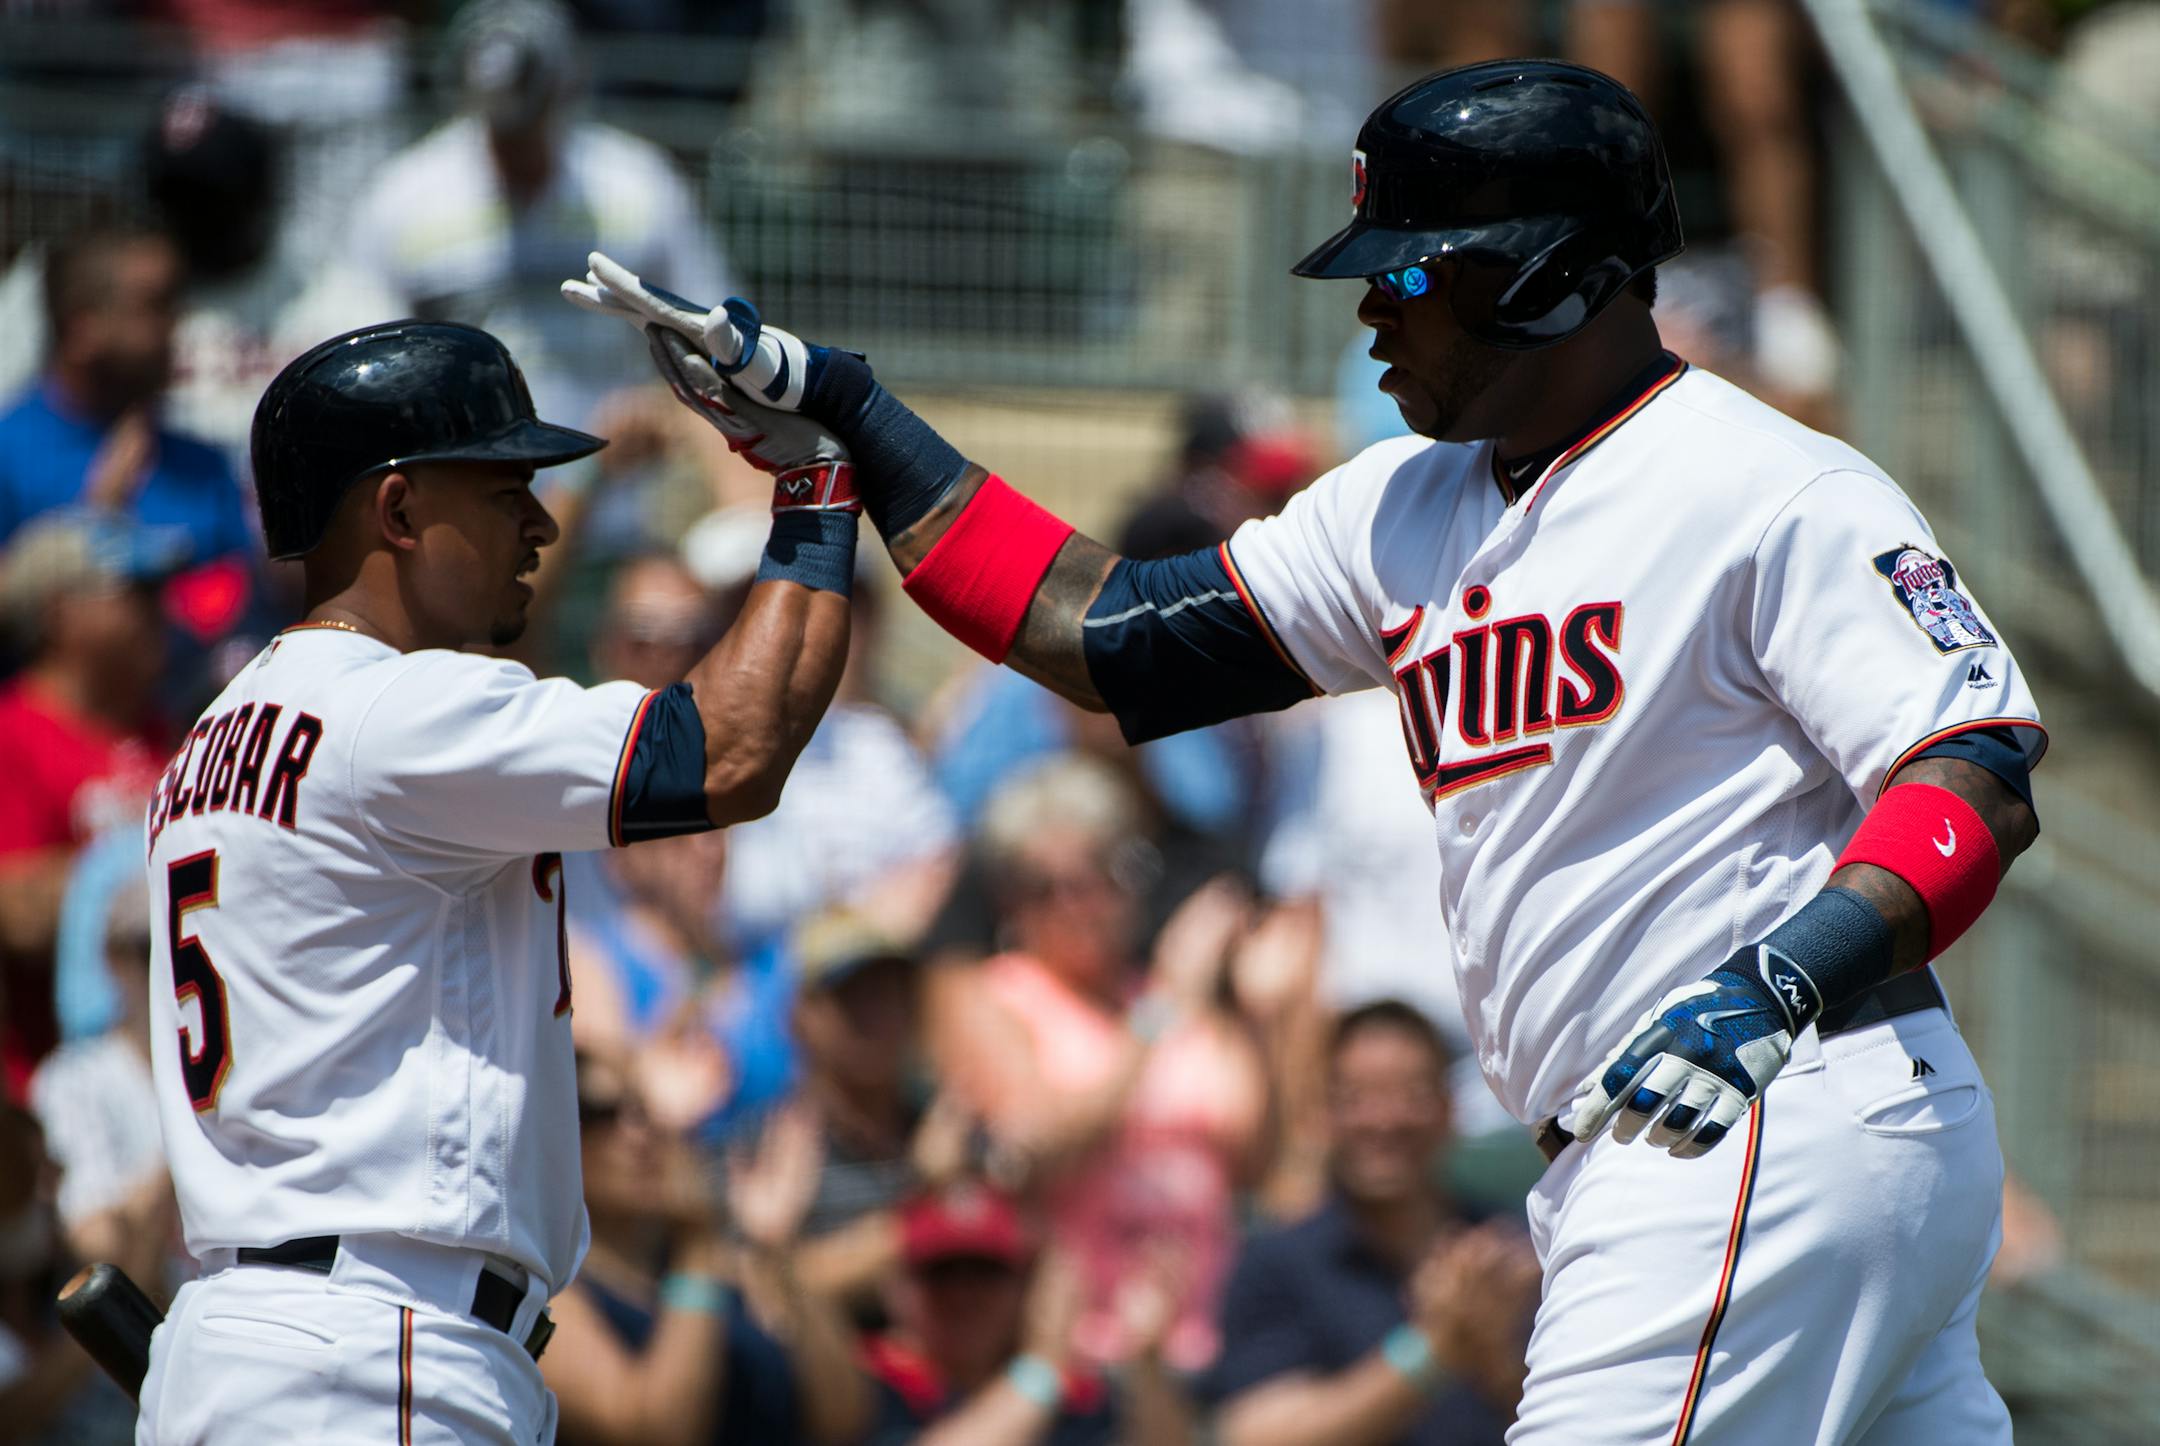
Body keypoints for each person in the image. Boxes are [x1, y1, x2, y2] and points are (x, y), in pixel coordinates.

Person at [573, 57, 2046, 1442]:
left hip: (1757, 1112)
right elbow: (1108, 634)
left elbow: (1970, 764)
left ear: (1542, 277)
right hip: (1737, 1138)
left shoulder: (1764, 485)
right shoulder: (1403, 506)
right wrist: (861, 418)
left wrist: (1788, 977)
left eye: (1407, 273)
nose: (1372, 313)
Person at [133, 317, 861, 1444]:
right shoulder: (396, 710)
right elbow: (732, 749)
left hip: (246, 1344)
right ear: (399, 511)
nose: (538, 521)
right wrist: (817, 485)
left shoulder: (211, 739)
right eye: (502, 487)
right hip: (380, 1343)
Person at [934, 756, 1272, 1370]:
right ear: (1011, 903)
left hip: (1213, 1339)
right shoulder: (995, 995)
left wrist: (1266, 1011)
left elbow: (1265, 1164)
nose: (1078, 902)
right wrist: (1158, 1017)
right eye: (1045, 887)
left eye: (1098, 875)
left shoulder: (1177, 997)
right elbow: (1041, 1143)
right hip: (1083, 1353)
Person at [344, 0, 731, 440]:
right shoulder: (403, 198)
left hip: (617, 478)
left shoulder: (637, 186)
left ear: (563, 89)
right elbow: (366, 354)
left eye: (529, 117)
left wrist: (661, 404)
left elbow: (710, 324)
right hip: (467, 475)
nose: (515, 143)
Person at [1204, 1001, 1538, 1445]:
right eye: (1357, 1098)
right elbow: (1257, 1434)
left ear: (1448, 1110)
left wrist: (1493, 1354)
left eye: (1410, 1095)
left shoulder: (1511, 1249)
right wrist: (1433, 1348)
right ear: (1322, 1113)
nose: (1384, 1120)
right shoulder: (1275, 1264)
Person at [541, 1050, 870, 1445]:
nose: (638, 1132)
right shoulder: (549, 1295)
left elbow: (843, 1418)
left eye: (649, 1111)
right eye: (598, 1113)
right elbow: (655, 1434)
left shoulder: (723, 1273)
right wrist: (697, 1241)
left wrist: (776, 1249)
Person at [0, 511, 183, 1096]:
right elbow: (16, 912)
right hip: (67, 1096)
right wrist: (124, 873)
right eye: (136, 593)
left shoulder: (170, 731)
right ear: (61, 613)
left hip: (172, 1079)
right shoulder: (15, 735)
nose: (161, 612)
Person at [860, 1183, 1192, 1446]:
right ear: (897, 1285)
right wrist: (1040, 1368)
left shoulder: (1071, 1391)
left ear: (1027, 1286)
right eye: (941, 1272)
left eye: (986, 1272)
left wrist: (1147, 1363)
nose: (963, 1295)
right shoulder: (866, 1383)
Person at [0, 224, 255, 566]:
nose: (177, 324)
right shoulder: (10, 456)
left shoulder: (202, 466)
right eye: (155, 305)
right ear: (82, 326)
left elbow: (246, 598)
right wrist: (90, 530)